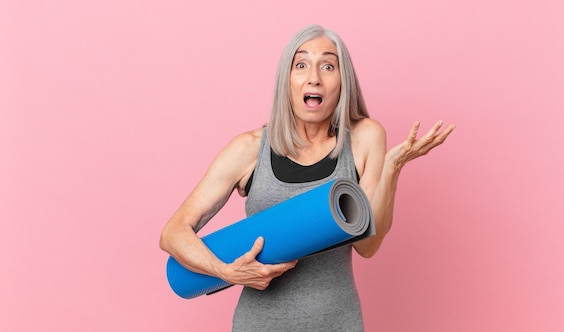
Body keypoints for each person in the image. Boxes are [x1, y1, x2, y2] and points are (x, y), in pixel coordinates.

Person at [159, 24, 455, 331]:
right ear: (286, 80)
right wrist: (225, 271)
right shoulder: (247, 149)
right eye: (301, 65)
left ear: (343, 82)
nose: (314, 77)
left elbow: (367, 246)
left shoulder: (365, 138)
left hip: (337, 322)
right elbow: (173, 233)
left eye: (328, 66)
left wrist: (392, 168)